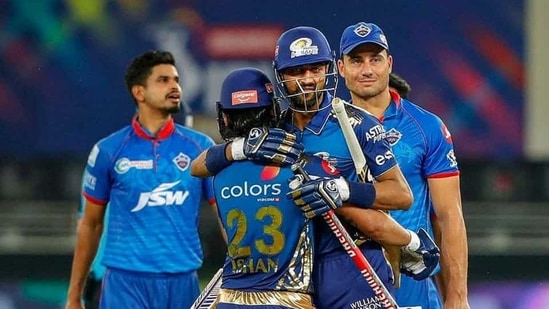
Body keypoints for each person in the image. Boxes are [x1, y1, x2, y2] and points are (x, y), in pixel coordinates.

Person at [191, 26, 439, 308]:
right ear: (280, 75)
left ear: (329, 69)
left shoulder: (357, 125)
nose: (307, 79)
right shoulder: (271, 128)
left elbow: (400, 195)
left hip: (351, 261)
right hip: (289, 273)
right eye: (296, 71)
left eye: (314, 69)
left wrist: (342, 189)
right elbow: (199, 167)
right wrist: (238, 148)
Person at [65, 50, 216, 309]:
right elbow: (90, 225)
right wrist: (74, 295)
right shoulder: (108, 151)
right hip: (125, 284)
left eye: (176, 80)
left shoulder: (200, 147)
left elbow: (225, 214)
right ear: (139, 92)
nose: (175, 87)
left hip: (183, 283)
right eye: (163, 80)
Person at [337, 22, 470, 308]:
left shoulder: (427, 127)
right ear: (341, 67)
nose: (367, 69)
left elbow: (449, 217)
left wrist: (457, 296)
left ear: (389, 63)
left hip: (414, 285)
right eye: (356, 61)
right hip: (343, 284)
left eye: (375, 59)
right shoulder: (326, 130)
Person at [205, 67, 322, 308]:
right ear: (273, 111)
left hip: (231, 297)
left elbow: (229, 237)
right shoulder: (300, 166)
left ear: (225, 118)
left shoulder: (218, 176)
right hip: (289, 298)